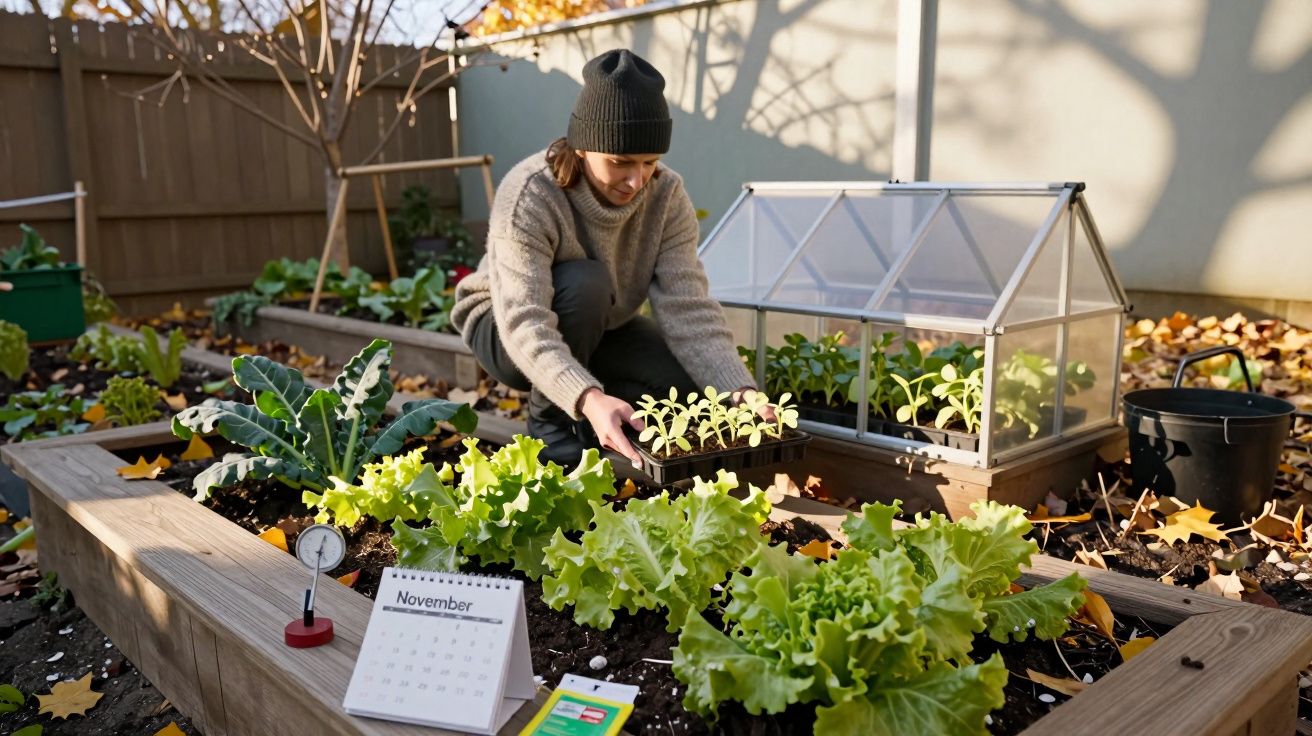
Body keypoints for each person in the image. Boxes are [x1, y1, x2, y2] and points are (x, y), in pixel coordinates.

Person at [451, 48, 764, 468]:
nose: (637, 180)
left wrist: (738, 389)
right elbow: (524, 319)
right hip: (504, 328)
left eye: (650, 162)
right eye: (621, 162)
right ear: (582, 148)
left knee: (688, 391)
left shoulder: (667, 197)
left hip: (601, 325)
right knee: (587, 283)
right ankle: (551, 424)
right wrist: (587, 398)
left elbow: (688, 308)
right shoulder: (530, 194)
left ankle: (600, 407)